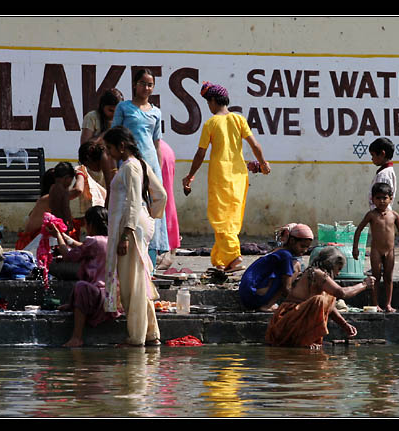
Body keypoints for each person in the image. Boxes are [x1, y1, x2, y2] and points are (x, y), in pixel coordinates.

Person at [182, 81, 271, 272]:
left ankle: (235, 257)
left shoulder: (211, 123)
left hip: (221, 177)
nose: (209, 106)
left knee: (220, 217)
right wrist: (263, 164)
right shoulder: (239, 119)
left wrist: (190, 175)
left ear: (213, 101)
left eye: (208, 102)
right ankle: (221, 260)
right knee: (231, 217)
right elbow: (255, 145)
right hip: (239, 177)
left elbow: (200, 153)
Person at [102, 126, 167, 347]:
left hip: (129, 229)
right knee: (139, 281)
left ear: (121, 146)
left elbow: (131, 200)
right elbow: (162, 195)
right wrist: (149, 216)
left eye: (110, 149)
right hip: (136, 225)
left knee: (133, 286)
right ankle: (151, 334)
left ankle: (136, 337)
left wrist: (127, 234)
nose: (109, 154)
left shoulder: (130, 167)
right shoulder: (140, 164)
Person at [265, 246, 376, 349]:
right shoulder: (316, 273)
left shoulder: (321, 276)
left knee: (328, 297)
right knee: (319, 300)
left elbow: (330, 306)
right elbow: (341, 293)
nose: (338, 273)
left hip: (297, 322)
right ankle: (305, 341)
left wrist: (345, 325)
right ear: (332, 264)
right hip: (286, 322)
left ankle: (307, 340)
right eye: (339, 268)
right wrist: (364, 285)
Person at [112, 69, 169, 266]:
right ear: (135, 84)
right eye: (143, 83)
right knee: (132, 204)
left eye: (150, 84)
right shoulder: (124, 108)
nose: (146, 88)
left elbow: (156, 144)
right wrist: (113, 168)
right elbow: (114, 137)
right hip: (129, 164)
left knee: (152, 208)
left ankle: (150, 258)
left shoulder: (156, 112)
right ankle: (129, 249)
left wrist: (158, 170)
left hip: (150, 165)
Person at [52, 206, 120, 347]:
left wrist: (58, 235)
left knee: (80, 287)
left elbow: (68, 256)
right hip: (113, 295)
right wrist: (65, 237)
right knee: (82, 287)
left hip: (99, 295)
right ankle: (73, 305)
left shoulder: (94, 241)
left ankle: (77, 337)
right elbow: (83, 247)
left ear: (91, 225)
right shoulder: (111, 240)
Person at [353, 183, 399, 313]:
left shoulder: (394, 215)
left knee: (389, 277)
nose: (381, 201)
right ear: (372, 199)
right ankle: (375, 304)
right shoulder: (371, 215)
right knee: (375, 277)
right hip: (376, 251)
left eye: (384, 198)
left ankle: (388, 304)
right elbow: (358, 230)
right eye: (378, 198)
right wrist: (355, 248)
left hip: (390, 251)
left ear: (390, 198)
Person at [239, 223, 314, 312]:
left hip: (247, 296)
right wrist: (304, 303)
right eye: (302, 246)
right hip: (253, 296)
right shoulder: (286, 256)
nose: (305, 250)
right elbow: (287, 288)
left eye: (307, 247)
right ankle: (267, 305)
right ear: (292, 241)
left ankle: (266, 303)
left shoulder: (279, 252)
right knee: (296, 266)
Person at [15, 162, 76, 250]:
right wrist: (81, 174)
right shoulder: (51, 197)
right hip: (30, 244)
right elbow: (78, 190)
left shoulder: (48, 197)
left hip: (30, 242)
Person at [69, 140, 114, 239]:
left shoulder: (105, 161)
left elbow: (78, 190)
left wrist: (106, 212)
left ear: (88, 159)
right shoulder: (82, 170)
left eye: (87, 165)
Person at [368, 137, 396, 211]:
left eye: (373, 155)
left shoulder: (384, 175)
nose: (372, 158)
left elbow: (380, 197)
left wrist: (375, 216)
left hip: (380, 215)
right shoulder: (387, 171)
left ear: (382, 154)